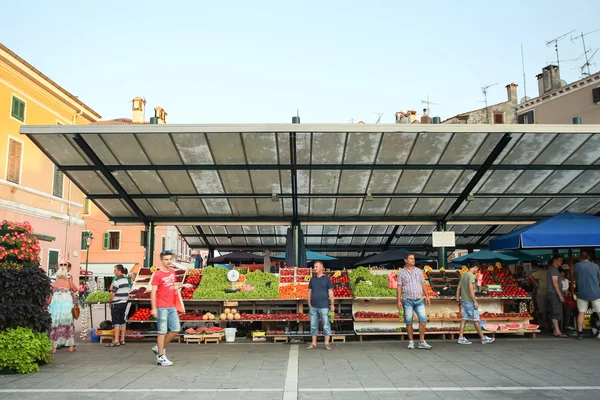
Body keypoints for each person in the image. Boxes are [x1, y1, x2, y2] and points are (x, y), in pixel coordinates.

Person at [151, 250, 181, 366]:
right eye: (166, 259)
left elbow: (172, 286)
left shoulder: (173, 272)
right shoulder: (157, 275)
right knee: (162, 332)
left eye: (170, 259)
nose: (169, 261)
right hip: (161, 306)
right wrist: (154, 308)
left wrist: (182, 285)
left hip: (171, 305)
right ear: (162, 260)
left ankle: (159, 348)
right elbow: (153, 292)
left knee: (175, 329)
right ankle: (160, 357)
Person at [397, 254, 432, 350]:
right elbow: (399, 287)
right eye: (411, 258)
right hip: (407, 300)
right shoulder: (401, 273)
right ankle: (411, 341)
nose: (413, 260)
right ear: (405, 260)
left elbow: (423, 283)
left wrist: (427, 296)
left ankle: (421, 341)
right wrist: (398, 300)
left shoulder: (418, 271)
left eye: (414, 258)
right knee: (409, 322)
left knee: (423, 320)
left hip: (419, 299)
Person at [456, 261, 495, 345]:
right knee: (476, 319)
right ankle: (483, 338)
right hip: (470, 301)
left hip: (463, 301)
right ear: (476, 267)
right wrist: (475, 301)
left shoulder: (463, 275)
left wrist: (457, 300)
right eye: (477, 268)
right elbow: (471, 290)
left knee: (464, 319)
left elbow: (458, 288)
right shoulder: (471, 276)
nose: (477, 270)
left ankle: (460, 337)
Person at [306, 261, 334, 350]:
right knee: (313, 325)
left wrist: (332, 304)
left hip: (324, 306)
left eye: (316, 266)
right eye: (314, 267)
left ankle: (327, 343)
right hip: (313, 306)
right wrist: (309, 304)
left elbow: (330, 292)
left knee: (326, 324)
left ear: (321, 268)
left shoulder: (327, 279)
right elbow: (309, 292)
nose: (315, 268)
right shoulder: (312, 280)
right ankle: (314, 343)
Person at [47, 267, 76, 353]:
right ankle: (70, 347)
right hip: (67, 307)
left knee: (55, 325)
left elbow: (49, 294)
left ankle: (54, 348)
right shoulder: (69, 282)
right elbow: (75, 289)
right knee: (68, 325)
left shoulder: (54, 284)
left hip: (55, 307)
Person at [574, 251, 600, 340]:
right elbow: (598, 277)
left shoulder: (577, 266)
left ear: (580, 258)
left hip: (582, 293)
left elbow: (575, 276)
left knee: (581, 312)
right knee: (599, 312)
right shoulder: (595, 266)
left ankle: (580, 332)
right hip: (595, 292)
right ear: (588, 257)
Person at [106, 265, 130, 347]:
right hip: (124, 303)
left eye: (115, 270)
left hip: (116, 303)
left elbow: (113, 293)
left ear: (119, 271)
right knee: (122, 321)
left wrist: (109, 301)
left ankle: (116, 340)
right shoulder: (126, 280)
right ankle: (122, 339)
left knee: (116, 322)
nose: (114, 272)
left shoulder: (117, 281)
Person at [547, 255, 567, 338]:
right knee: (556, 311)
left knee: (556, 311)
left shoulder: (553, 269)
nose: (561, 262)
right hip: (554, 293)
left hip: (552, 293)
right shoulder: (554, 270)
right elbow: (555, 283)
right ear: (555, 260)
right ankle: (557, 331)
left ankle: (556, 331)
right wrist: (560, 295)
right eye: (560, 260)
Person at [528, 262, 549, 331]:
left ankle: (545, 323)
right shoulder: (541, 272)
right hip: (541, 293)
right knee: (541, 309)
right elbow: (530, 276)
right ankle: (542, 323)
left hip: (549, 293)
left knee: (546, 310)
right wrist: (536, 284)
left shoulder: (553, 273)